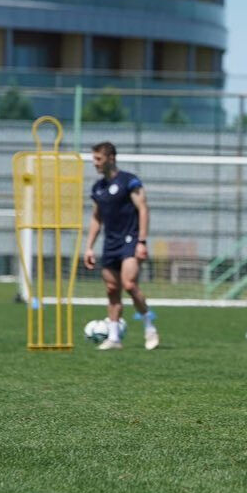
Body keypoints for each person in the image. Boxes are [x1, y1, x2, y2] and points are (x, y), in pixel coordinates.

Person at [84, 141, 159, 351]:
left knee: (129, 284)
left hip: (130, 240)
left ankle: (149, 327)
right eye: (94, 159)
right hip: (110, 244)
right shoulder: (98, 188)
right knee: (111, 290)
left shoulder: (129, 181)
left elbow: (143, 209)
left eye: (98, 159)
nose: (95, 163)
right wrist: (89, 247)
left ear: (111, 158)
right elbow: (96, 219)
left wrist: (142, 242)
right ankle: (114, 338)